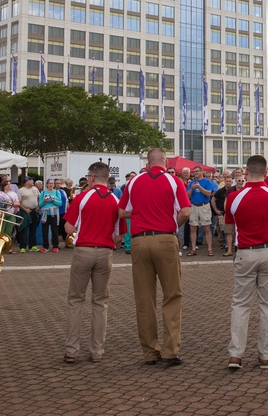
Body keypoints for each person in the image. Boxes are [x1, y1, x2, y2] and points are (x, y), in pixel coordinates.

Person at [118, 148, 191, 365]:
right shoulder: (173, 181)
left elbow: (121, 212)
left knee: (144, 298)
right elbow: (185, 211)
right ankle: (170, 351)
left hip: (139, 240)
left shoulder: (133, 182)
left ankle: (150, 351)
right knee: (172, 295)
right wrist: (170, 226)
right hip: (165, 238)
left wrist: (141, 211)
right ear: (165, 162)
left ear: (148, 163)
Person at [225, 154, 268, 370]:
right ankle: (265, 356)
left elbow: (230, 224)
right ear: (267, 172)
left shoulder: (234, 198)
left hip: (246, 252)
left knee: (241, 304)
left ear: (246, 172)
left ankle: (236, 354)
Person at [63, 161, 122, 364]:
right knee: (100, 302)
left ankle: (71, 350)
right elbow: (119, 235)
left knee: (75, 300)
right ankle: (97, 350)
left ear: (92, 177)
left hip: (84, 250)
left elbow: (69, 228)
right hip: (105, 252)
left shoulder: (82, 197)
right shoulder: (116, 200)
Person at [187, 166, 217, 256]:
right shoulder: (192, 182)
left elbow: (209, 193)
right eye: (194, 171)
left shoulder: (206, 181)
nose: (195, 173)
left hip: (204, 206)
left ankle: (210, 249)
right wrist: (192, 188)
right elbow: (187, 196)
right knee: (192, 228)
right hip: (193, 206)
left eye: (197, 171)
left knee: (207, 228)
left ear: (201, 172)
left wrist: (199, 188)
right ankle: (193, 249)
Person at [38, 180, 62, 253]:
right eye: (49, 183)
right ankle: (45, 246)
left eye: (52, 183)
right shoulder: (43, 192)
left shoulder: (57, 192)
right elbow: (40, 204)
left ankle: (55, 246)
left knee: (54, 230)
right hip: (45, 213)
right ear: (47, 184)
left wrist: (53, 199)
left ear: (54, 185)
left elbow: (60, 203)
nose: (51, 185)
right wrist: (44, 201)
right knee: (45, 231)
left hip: (53, 213)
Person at [18, 177, 41, 252]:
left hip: (34, 211)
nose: (33, 181)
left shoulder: (35, 189)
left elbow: (39, 198)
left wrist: (38, 207)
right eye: (31, 180)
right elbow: (19, 202)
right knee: (24, 229)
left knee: (33, 229)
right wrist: (25, 209)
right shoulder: (21, 190)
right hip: (25, 211)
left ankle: (32, 245)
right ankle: (23, 246)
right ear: (26, 182)